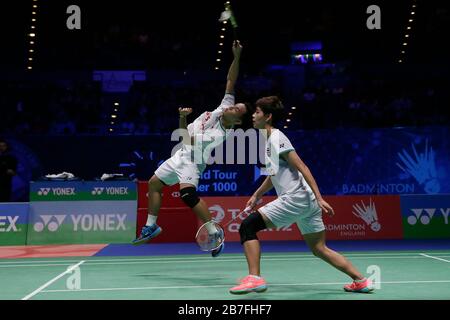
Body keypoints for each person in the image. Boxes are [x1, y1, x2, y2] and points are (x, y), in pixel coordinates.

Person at [229, 96, 374, 294]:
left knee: (248, 226)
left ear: (268, 116)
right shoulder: (267, 140)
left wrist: (320, 196)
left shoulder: (277, 138)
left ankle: (254, 278)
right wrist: (256, 195)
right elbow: (273, 175)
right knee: (319, 248)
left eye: (257, 112)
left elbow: (302, 167)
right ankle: (361, 280)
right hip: (307, 202)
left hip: (296, 198)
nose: (253, 116)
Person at [132, 40, 253, 258]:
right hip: (181, 154)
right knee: (153, 184)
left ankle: (213, 232)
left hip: (193, 161)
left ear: (236, 121)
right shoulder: (223, 107)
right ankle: (151, 226)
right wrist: (236, 56)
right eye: (235, 104)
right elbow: (230, 80)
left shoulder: (219, 134)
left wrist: (182, 119)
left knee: (187, 195)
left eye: (237, 109)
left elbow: (188, 140)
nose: (233, 107)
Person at [0, 138, 18, 202]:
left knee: (4, 202)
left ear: (7, 147)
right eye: (0, 146)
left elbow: (14, 173)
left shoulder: (11, 159)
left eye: (3, 146)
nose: (1, 148)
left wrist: (10, 171)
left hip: (5, 186)